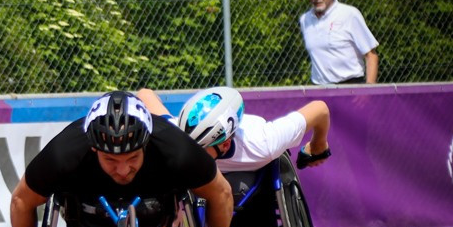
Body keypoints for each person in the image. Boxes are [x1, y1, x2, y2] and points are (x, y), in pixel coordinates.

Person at [10, 90, 234, 227]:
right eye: (111, 160)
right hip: (92, 223)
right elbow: (21, 200)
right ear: (94, 148)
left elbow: (221, 192)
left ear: (146, 144)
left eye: (133, 158)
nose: (123, 170)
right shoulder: (64, 153)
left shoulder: (174, 147)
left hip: (154, 221)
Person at [136, 87, 332, 172]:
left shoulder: (263, 142)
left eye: (199, 150)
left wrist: (318, 145)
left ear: (225, 144)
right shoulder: (178, 134)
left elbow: (320, 109)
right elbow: (144, 94)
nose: (190, 155)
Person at [299, 0, 379, 85]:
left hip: (350, 87)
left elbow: (371, 55)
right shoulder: (305, 20)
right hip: (320, 90)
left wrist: (367, 92)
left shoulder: (349, 15)